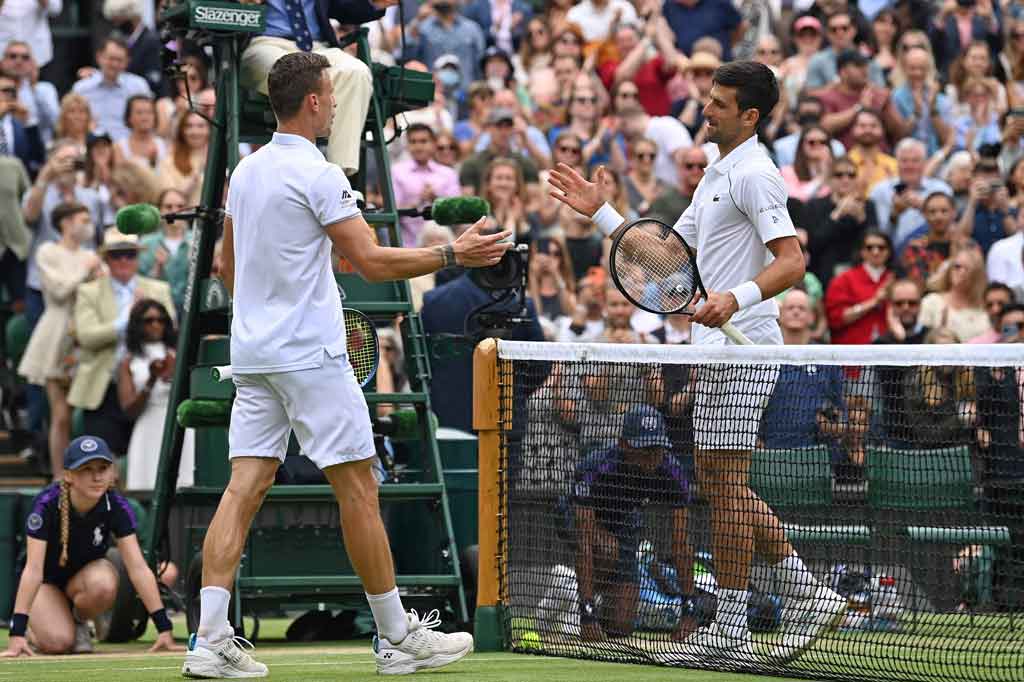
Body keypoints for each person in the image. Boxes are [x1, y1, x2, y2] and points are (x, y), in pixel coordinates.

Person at [183, 52, 510, 677]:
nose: (335, 105)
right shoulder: (321, 173)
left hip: (253, 355)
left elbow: (225, 266)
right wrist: (453, 254)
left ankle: (209, 640)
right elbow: (372, 263)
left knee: (243, 488)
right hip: (309, 355)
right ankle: (396, 638)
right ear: (312, 102)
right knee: (359, 488)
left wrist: (275, 297)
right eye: (331, 95)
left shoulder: (244, 171)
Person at [547, 60, 845, 666]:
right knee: (718, 480)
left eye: (719, 103)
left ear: (750, 116)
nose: (705, 110)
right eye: (708, 99)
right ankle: (810, 596)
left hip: (744, 346)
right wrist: (603, 213)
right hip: (713, 350)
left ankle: (731, 624)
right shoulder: (716, 172)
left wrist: (736, 297)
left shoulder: (756, 174)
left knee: (724, 483)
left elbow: (792, 262)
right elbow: (665, 257)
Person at [0, 436, 181, 657]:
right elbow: (33, 570)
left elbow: (138, 568)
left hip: (84, 582)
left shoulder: (117, 505)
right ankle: (34, 632)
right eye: (86, 469)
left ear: (112, 472)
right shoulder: (46, 504)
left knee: (103, 583)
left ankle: (79, 621)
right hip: (46, 584)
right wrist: (16, 632)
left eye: (102, 468)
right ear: (68, 475)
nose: (96, 477)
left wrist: (164, 629)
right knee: (58, 643)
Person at [571, 406, 695, 642]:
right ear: (624, 445)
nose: (652, 458)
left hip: (625, 523)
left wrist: (689, 611)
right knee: (607, 550)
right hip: (582, 516)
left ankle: (595, 601)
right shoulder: (595, 467)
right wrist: (587, 616)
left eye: (657, 449)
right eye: (645, 450)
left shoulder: (673, 474)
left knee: (621, 626)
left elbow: (681, 543)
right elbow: (583, 541)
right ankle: (580, 601)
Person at [239, 0, 382, 176]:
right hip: (264, 43)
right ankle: (298, 174)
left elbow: (344, 8)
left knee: (356, 71)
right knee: (295, 74)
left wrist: (375, 4)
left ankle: (339, 177)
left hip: (315, 47)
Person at [68, 228, 175, 457]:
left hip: (150, 386)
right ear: (106, 259)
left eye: (130, 254)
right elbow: (86, 336)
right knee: (102, 460)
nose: (124, 260)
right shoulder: (89, 291)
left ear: (138, 258)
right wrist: (129, 317)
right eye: (117, 255)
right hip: (104, 386)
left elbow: (170, 330)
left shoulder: (158, 289)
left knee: (152, 458)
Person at [17, 202, 101, 479]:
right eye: (83, 219)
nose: (88, 225)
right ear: (66, 222)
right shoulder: (47, 251)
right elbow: (58, 291)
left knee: (82, 415)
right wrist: (85, 270)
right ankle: (59, 476)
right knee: (61, 414)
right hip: (55, 334)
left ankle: (83, 473)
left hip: (85, 333)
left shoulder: (90, 255)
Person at [119, 299, 195, 490]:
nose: (156, 325)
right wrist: (151, 380)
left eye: (161, 320)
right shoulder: (129, 361)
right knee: (147, 487)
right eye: (149, 320)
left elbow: (194, 394)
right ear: (137, 325)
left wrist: (175, 377)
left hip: (179, 427)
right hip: (147, 428)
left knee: (183, 485)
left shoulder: (180, 355)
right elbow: (128, 410)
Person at [802, 156, 877, 289]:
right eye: (839, 175)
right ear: (829, 179)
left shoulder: (867, 206)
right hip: (822, 274)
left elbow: (874, 245)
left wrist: (861, 220)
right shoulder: (814, 206)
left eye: (851, 175)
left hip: (858, 274)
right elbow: (813, 245)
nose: (845, 179)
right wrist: (836, 214)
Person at [391, 123, 460, 247]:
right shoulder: (397, 172)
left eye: (423, 141)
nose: (418, 147)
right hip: (406, 244)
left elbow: (457, 212)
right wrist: (418, 201)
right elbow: (393, 211)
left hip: (443, 244)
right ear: (407, 145)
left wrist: (436, 198)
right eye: (413, 142)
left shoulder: (448, 174)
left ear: (433, 144)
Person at [71, 37, 151, 141]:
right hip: (93, 145)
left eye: (120, 60)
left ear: (127, 62)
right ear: (99, 57)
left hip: (130, 145)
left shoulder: (138, 86)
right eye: (111, 59)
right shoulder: (82, 88)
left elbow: (149, 121)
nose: (114, 64)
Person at [824, 230, 894, 344]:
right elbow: (835, 319)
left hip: (889, 348)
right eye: (869, 247)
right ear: (862, 251)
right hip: (852, 348)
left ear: (889, 251)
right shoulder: (843, 280)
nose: (875, 252)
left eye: (881, 247)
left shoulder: (896, 280)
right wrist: (874, 302)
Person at [919, 247, 992, 342]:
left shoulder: (986, 309)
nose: (961, 272)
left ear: (977, 274)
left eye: (967, 269)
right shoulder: (931, 302)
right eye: (957, 266)